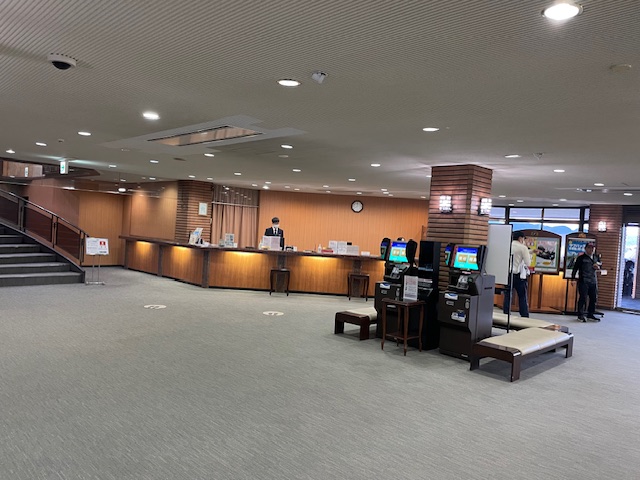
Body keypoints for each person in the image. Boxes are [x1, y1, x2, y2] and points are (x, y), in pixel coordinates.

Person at [503, 231, 531, 317]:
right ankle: (524, 315)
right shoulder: (523, 248)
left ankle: (506, 314)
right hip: (519, 275)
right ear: (520, 238)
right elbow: (528, 262)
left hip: (508, 274)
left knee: (508, 295)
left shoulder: (507, 246)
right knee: (522, 296)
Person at [571, 243, 600, 322]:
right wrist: (573, 279)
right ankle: (580, 315)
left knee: (593, 298)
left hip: (593, 281)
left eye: (593, 248)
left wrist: (598, 267)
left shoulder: (596, 257)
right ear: (586, 249)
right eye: (589, 248)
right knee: (583, 298)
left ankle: (590, 314)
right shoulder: (581, 258)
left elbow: (600, 266)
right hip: (583, 281)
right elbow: (575, 268)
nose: (591, 250)